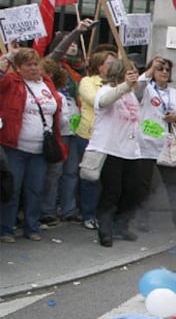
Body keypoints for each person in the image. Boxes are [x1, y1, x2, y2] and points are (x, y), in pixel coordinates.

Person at [0, 47, 65, 242]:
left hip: (40, 149)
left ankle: (32, 227)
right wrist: (5, 60)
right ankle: (6, 229)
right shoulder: (11, 81)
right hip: (15, 147)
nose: (34, 68)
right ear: (18, 67)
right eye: (28, 65)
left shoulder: (46, 82)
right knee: (13, 189)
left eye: (36, 64)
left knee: (35, 189)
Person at [135, 56, 176, 233]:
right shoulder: (146, 89)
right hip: (146, 144)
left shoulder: (174, 94)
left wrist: (175, 117)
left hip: (167, 146)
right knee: (143, 185)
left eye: (166, 70)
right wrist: (149, 70)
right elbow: (136, 89)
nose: (163, 72)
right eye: (159, 68)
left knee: (173, 184)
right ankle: (141, 219)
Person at [85, 59, 141, 247]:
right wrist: (125, 85)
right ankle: (105, 228)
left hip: (130, 151)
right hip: (111, 150)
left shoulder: (132, 95)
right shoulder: (106, 90)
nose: (134, 76)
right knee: (112, 191)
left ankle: (121, 225)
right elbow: (104, 101)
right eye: (129, 72)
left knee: (131, 191)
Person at [75, 50, 117, 229]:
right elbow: (96, 101)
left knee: (109, 180)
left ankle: (105, 213)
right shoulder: (87, 82)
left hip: (111, 138)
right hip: (90, 136)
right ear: (99, 65)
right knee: (90, 177)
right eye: (109, 63)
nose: (113, 66)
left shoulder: (119, 84)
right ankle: (88, 214)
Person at [40, 58, 80, 227]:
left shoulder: (68, 93)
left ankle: (68, 210)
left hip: (73, 133)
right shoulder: (49, 93)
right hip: (59, 135)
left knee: (71, 172)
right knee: (54, 173)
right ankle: (47, 210)